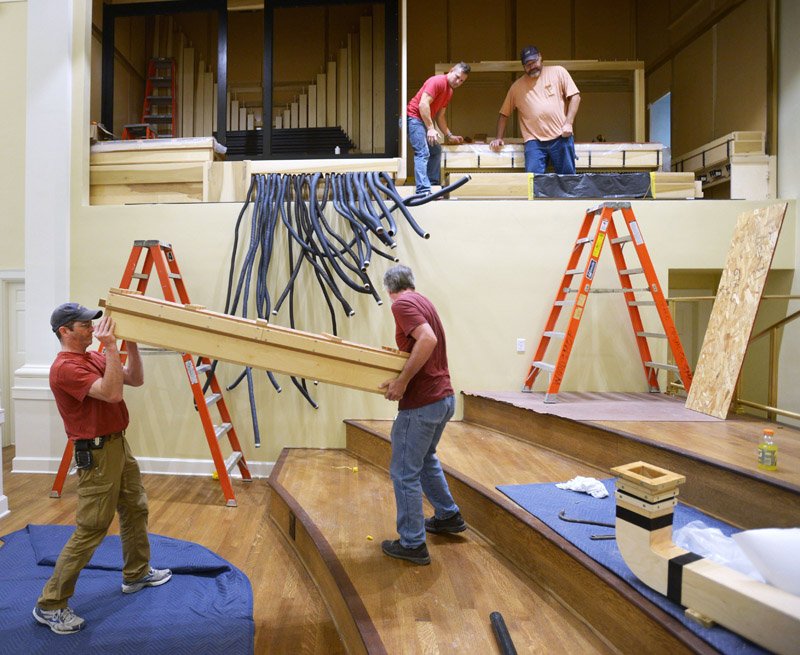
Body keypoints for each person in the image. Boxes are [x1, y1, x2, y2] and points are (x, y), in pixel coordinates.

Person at [33, 303, 171, 635]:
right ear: (65, 331)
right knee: (92, 527)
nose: (93, 328)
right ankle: (50, 605)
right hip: (95, 455)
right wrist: (111, 346)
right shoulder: (65, 368)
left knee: (135, 508)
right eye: (84, 325)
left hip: (117, 444)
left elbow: (133, 379)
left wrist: (131, 344)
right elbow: (111, 393)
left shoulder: (93, 357)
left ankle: (136, 573)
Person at [379, 265, 466, 566]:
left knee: (404, 471)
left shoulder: (401, 304)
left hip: (422, 402)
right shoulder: (422, 300)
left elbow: (426, 340)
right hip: (443, 398)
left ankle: (413, 543)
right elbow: (424, 341)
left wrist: (402, 381)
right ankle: (448, 516)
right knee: (426, 458)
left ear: (388, 289)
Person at [490, 46, 581, 174]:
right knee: (532, 179)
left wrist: (568, 123)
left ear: (540, 57)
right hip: (534, 142)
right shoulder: (516, 87)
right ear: (523, 67)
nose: (532, 66)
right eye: (527, 64)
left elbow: (575, 97)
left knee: (567, 178)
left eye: (534, 62)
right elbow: (503, 115)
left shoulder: (558, 72)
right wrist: (499, 138)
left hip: (561, 136)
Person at [406, 62, 471, 195]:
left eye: (462, 81)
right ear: (451, 70)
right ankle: (423, 190)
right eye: (457, 77)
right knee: (423, 152)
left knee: (435, 150)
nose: (458, 81)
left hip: (423, 120)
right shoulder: (437, 82)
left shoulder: (449, 91)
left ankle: (433, 185)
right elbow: (423, 104)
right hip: (412, 118)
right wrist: (430, 128)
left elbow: (440, 116)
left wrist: (449, 135)